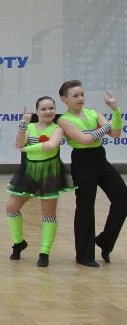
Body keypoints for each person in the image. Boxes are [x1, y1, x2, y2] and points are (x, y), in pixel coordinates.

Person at [55, 82, 125, 266]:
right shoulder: (64, 120)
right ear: (64, 99)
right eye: (75, 96)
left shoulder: (94, 113)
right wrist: (105, 127)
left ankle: (105, 241)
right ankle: (84, 255)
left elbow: (115, 133)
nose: (80, 98)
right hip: (82, 162)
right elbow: (85, 140)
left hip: (100, 159)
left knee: (122, 198)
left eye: (82, 94)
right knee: (85, 207)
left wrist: (116, 111)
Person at [6, 97, 75, 267]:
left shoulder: (57, 129)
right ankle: (18, 242)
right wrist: (23, 123)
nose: (48, 112)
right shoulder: (29, 127)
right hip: (29, 171)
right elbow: (20, 141)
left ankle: (44, 252)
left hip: (49, 172)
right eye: (43, 109)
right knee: (11, 207)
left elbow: (50, 146)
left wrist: (26, 149)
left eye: (51, 108)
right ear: (37, 111)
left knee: (48, 214)